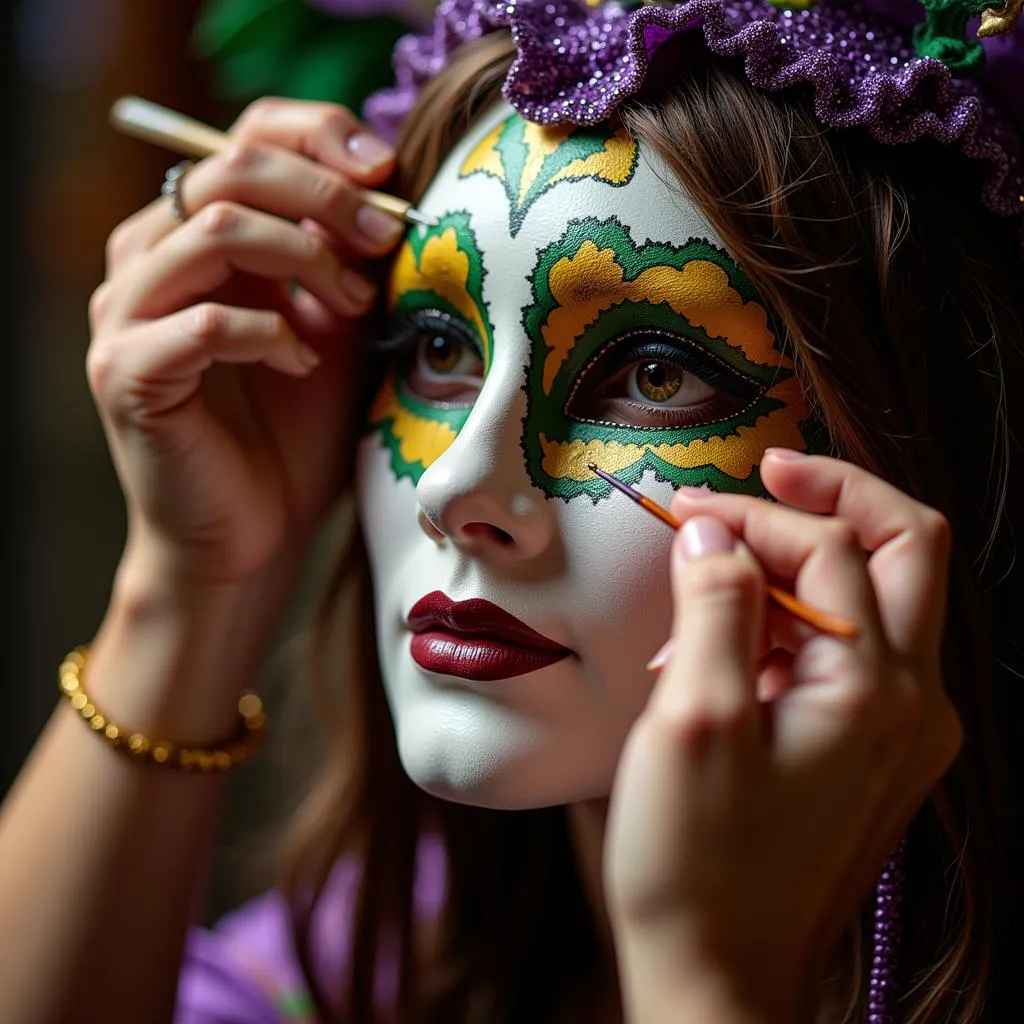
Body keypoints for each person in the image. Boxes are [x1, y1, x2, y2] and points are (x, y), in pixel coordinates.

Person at [1, 0, 1022, 1021]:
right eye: (437, 349)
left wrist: (706, 976)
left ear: (929, 450)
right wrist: (196, 580)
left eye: (657, 372)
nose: (454, 492)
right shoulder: (370, 958)